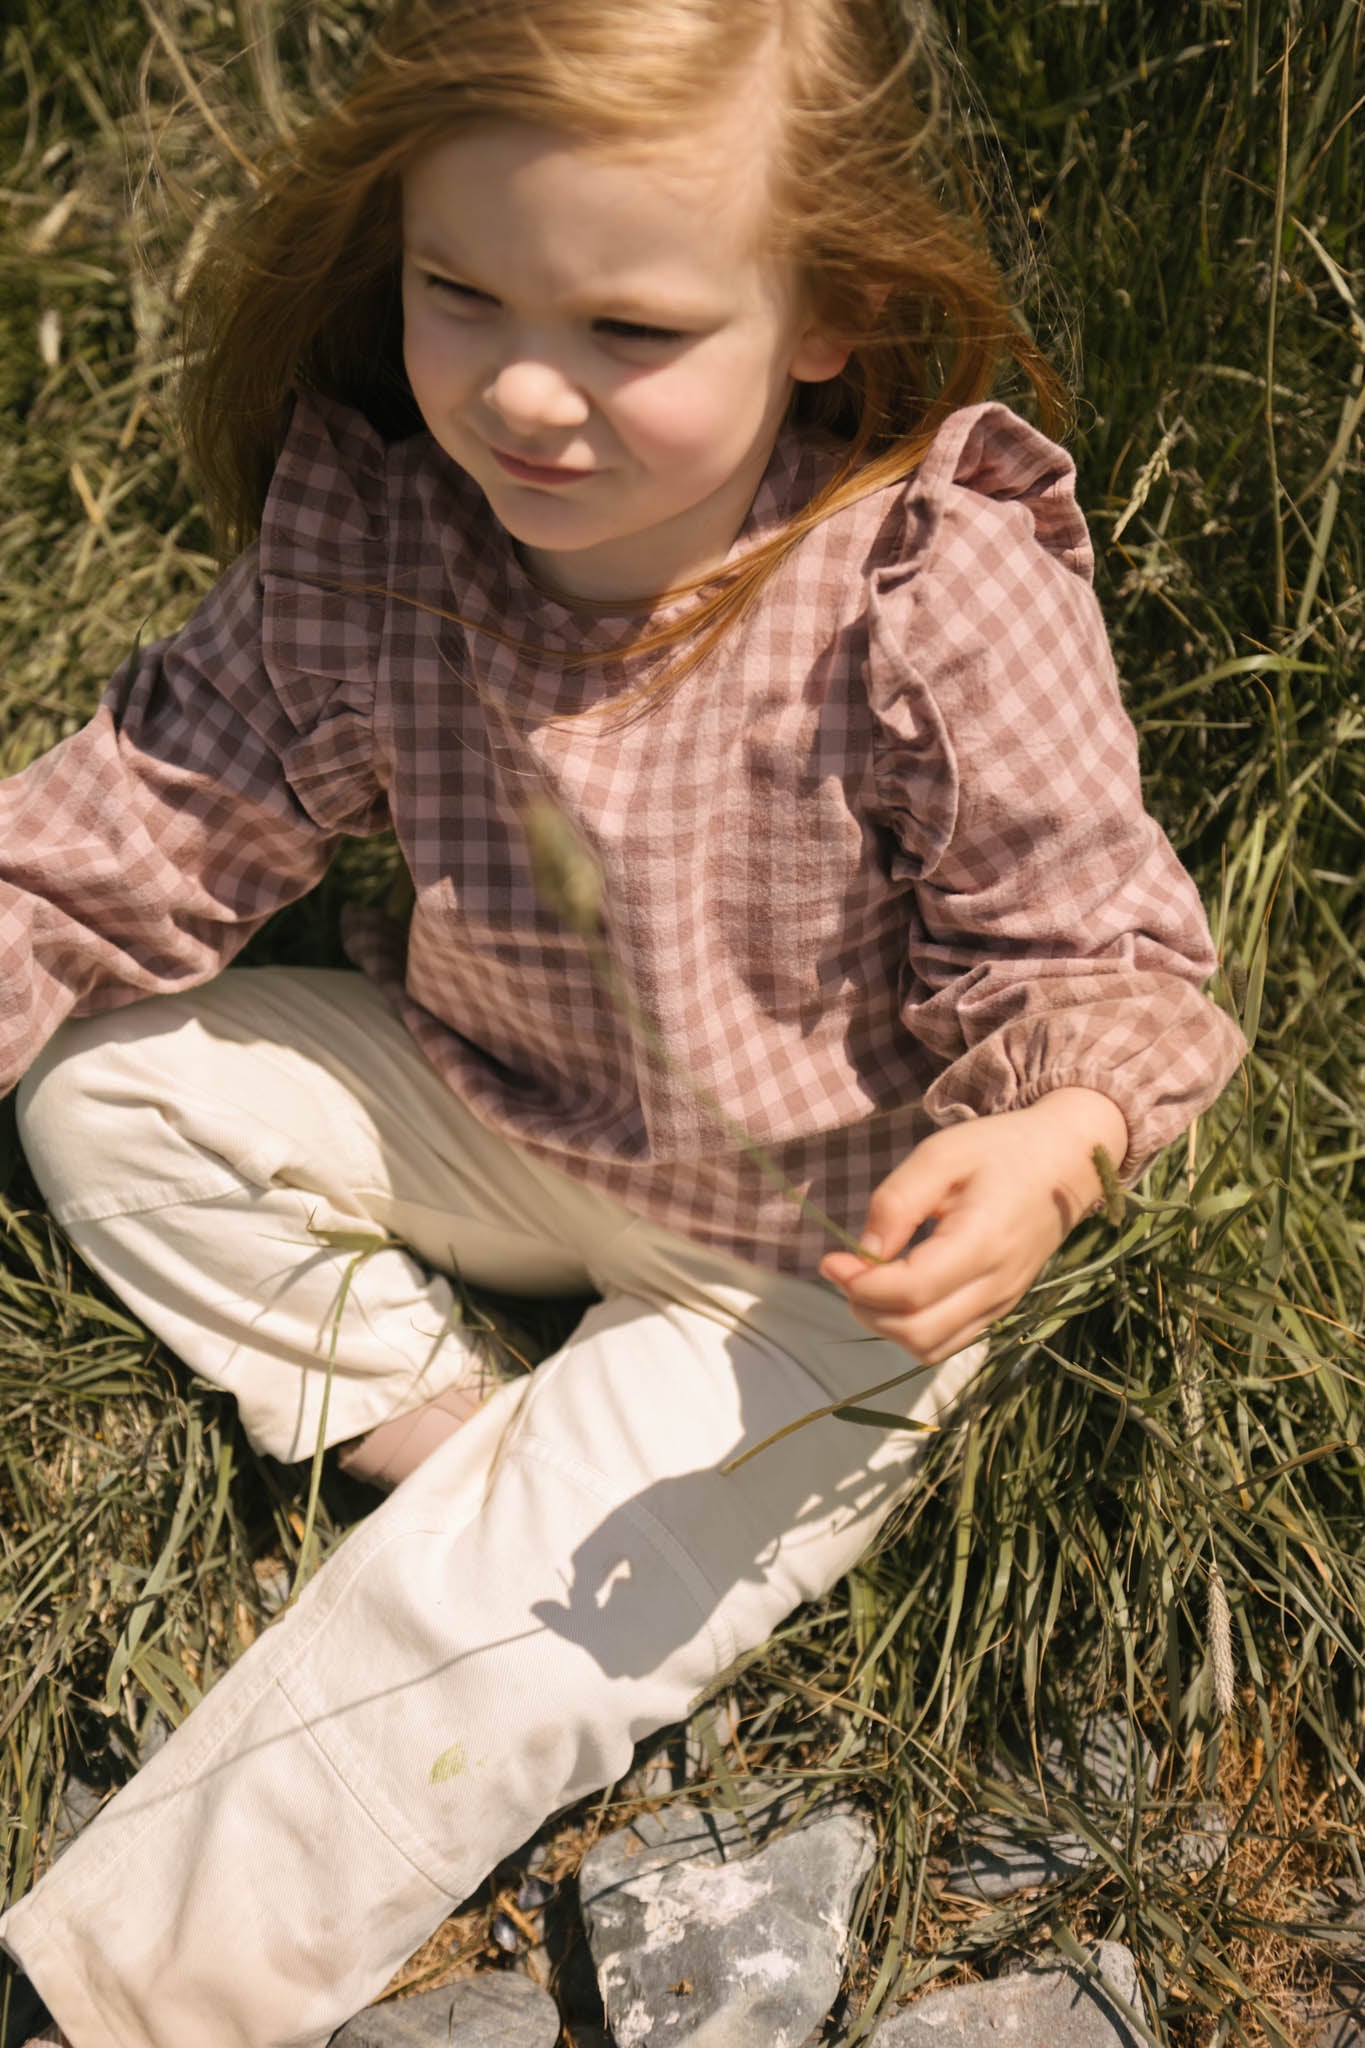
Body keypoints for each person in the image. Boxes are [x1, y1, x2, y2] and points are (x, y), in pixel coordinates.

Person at [0, 0, 1246, 2040]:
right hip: (501, 1116)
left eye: (628, 333)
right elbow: (113, 835)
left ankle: (133, 1994)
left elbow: (1094, 942)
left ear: (824, 310)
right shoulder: (386, 547)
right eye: (456, 295)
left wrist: (1049, 1139)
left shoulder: (917, 577)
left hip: (814, 1252)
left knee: (474, 1634)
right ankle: (444, 1422)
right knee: (104, 1077)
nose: (520, 392)